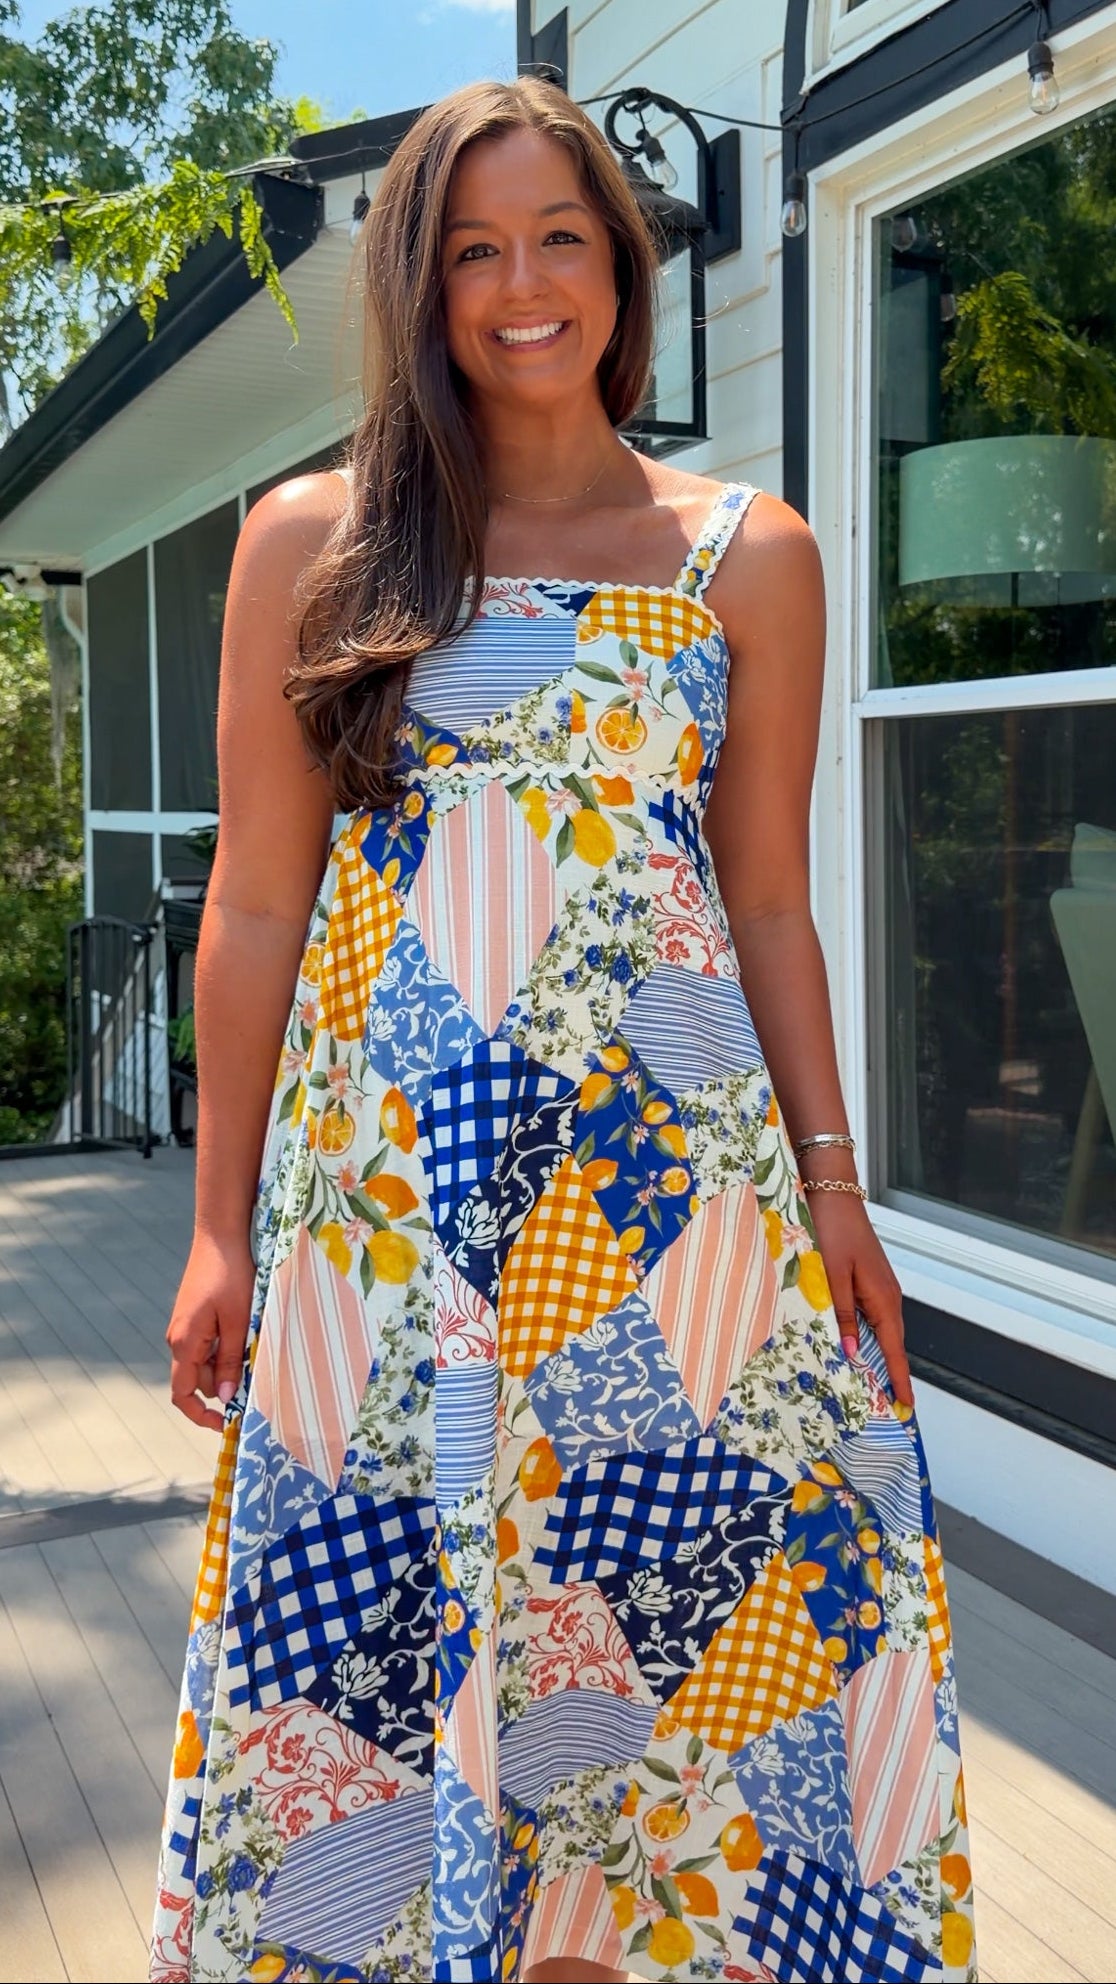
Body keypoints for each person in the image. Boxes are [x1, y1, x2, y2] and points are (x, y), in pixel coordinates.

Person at [153, 76, 975, 1984]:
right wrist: (217, 1224)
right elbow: (257, 904)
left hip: (681, 1226)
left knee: (657, 1686)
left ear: (623, 266)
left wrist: (838, 1187)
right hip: (395, 1220)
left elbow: (766, 895)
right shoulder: (316, 541)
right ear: (417, 288)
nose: (522, 288)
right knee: (399, 1646)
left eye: (562, 241)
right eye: (471, 252)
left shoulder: (744, 551)